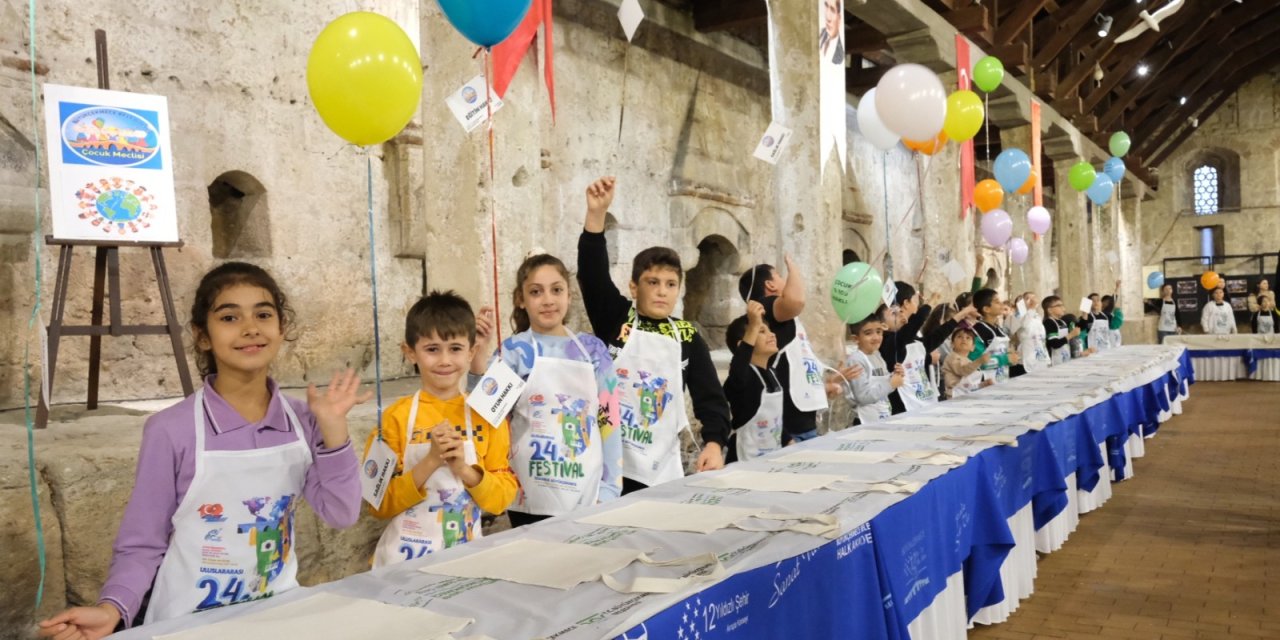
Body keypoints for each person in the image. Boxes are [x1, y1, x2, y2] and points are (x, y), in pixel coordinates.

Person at [38, 263, 366, 636]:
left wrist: (335, 432)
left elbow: (341, 514)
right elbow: (143, 542)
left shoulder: (304, 419)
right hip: (186, 621)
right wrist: (113, 608)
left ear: (281, 328)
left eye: (263, 314)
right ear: (202, 336)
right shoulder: (171, 429)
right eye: (229, 317)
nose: (250, 328)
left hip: (274, 612)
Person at [577, 177, 730, 492]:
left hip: (661, 472)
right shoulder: (615, 318)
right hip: (608, 470)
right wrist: (596, 216)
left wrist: (715, 443)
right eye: (652, 282)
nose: (662, 291)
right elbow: (592, 276)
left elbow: (711, 399)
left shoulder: (687, 337)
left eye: (670, 284)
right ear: (634, 287)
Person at [466, 254, 621, 528]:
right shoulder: (514, 351)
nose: (548, 299)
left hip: (587, 491)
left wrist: (610, 489)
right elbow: (486, 413)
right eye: (536, 292)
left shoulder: (592, 350)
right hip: (529, 495)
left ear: (569, 296)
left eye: (556, 289)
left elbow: (609, 422)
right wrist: (478, 355)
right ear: (521, 299)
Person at [368, 291, 518, 567]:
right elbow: (376, 504)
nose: (445, 360)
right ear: (410, 352)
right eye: (432, 349)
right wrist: (431, 461)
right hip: (402, 564)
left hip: (466, 562)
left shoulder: (486, 416)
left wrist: (463, 469)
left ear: (471, 351)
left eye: (456, 348)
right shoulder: (394, 418)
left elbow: (501, 499)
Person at [739, 258, 826, 445]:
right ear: (770, 285)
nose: (784, 279)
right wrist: (793, 266)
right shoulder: (767, 306)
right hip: (790, 429)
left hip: (800, 421)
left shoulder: (783, 317)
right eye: (779, 276)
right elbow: (796, 300)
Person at [722, 302, 785, 461]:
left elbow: (776, 423)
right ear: (741, 345)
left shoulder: (772, 373)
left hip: (772, 457)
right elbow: (738, 367)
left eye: (770, 330)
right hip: (744, 459)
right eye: (762, 331)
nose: (772, 334)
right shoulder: (742, 377)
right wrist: (753, 324)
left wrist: (789, 441)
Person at [842, 311, 904, 425]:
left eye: (879, 332)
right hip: (863, 421)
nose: (876, 337)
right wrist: (891, 384)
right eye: (868, 333)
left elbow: (882, 384)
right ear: (856, 339)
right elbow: (863, 397)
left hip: (881, 417)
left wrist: (895, 375)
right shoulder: (856, 360)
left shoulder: (877, 355)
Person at [970, 288, 1023, 381]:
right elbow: (976, 362)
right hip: (985, 383)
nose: (1002, 305)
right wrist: (1006, 359)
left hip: (1002, 379)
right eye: (997, 302)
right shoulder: (977, 331)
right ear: (986, 309)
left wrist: (1012, 356)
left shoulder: (999, 329)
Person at [943, 327, 994, 397]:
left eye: (968, 338)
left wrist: (983, 384)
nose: (964, 339)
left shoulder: (969, 360)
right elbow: (963, 370)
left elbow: (970, 385)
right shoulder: (952, 357)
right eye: (959, 336)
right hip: (954, 395)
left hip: (965, 393)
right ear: (952, 344)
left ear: (973, 347)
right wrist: (979, 361)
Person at [1011, 292, 1050, 371]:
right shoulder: (1017, 316)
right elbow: (1024, 324)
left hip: (1040, 355)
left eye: (1033, 298)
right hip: (1026, 357)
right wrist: (1031, 308)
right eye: (1028, 298)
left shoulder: (1037, 316)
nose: (1031, 300)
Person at [1042, 296, 1082, 364]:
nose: (1063, 308)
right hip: (1055, 361)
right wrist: (1071, 335)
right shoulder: (1048, 322)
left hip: (1066, 358)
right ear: (1050, 310)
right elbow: (1054, 344)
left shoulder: (1062, 322)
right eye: (1059, 305)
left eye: (1063, 305)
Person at [818, 0, 844, 65]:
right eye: (826, 6)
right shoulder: (820, 33)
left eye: (832, 10)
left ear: (839, 18)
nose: (828, 17)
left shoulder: (840, 56)